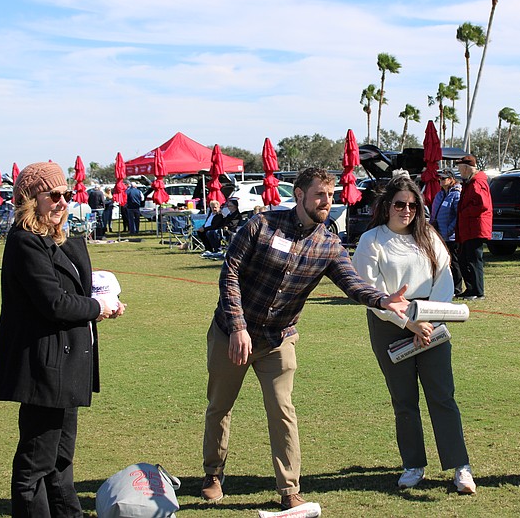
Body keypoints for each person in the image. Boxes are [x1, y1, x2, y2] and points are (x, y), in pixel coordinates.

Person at [201, 167, 410, 510]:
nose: (327, 201)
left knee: (283, 410)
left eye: (330, 195)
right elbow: (230, 274)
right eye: (320, 195)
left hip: (279, 339)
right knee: (220, 407)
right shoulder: (261, 225)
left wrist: (381, 299)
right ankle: (212, 474)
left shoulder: (328, 243)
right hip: (232, 333)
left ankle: (288, 489)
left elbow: (351, 281)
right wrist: (238, 327)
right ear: (299, 195)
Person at [0, 161, 126, 516]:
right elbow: (54, 302)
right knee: (35, 464)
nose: (63, 201)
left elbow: (73, 290)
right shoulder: (24, 242)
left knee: (60, 460)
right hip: (44, 368)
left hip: (67, 366)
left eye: (67, 194)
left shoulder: (56, 241)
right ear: (30, 199)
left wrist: (101, 295)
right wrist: (98, 306)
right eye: (54, 195)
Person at [352, 173, 476, 494]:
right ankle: (413, 464)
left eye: (412, 205)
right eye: (399, 204)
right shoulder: (372, 241)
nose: (406, 210)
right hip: (390, 325)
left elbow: (444, 281)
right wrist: (408, 323)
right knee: (404, 400)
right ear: (387, 206)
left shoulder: (429, 237)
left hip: (431, 322)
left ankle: (459, 465)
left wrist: (428, 320)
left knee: (442, 395)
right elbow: (370, 292)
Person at [454, 155, 492, 300]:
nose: (459, 171)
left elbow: (483, 205)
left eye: (460, 168)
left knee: (474, 260)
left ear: (466, 168)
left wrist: (465, 212)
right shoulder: (470, 182)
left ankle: (478, 291)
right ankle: (471, 289)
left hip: (475, 228)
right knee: (465, 259)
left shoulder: (477, 183)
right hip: (468, 228)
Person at [430, 168, 463, 296]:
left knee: (453, 262)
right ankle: (444, 286)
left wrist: (450, 229)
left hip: (451, 236)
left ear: (451, 179)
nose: (441, 181)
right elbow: (434, 213)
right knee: (440, 261)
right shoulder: (439, 194)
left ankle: (457, 287)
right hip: (439, 234)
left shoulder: (456, 194)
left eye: (444, 178)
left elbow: (457, 215)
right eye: (440, 179)